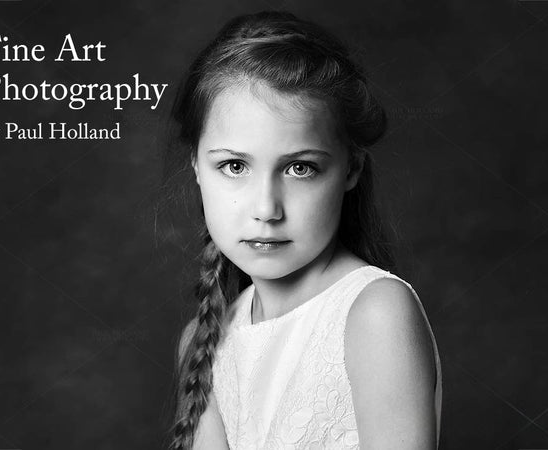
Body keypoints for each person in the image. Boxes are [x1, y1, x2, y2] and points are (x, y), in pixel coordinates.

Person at [167, 10, 442, 450]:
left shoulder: (375, 313)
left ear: (350, 168)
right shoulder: (202, 343)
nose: (266, 209)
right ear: (197, 167)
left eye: (300, 168)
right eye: (234, 166)